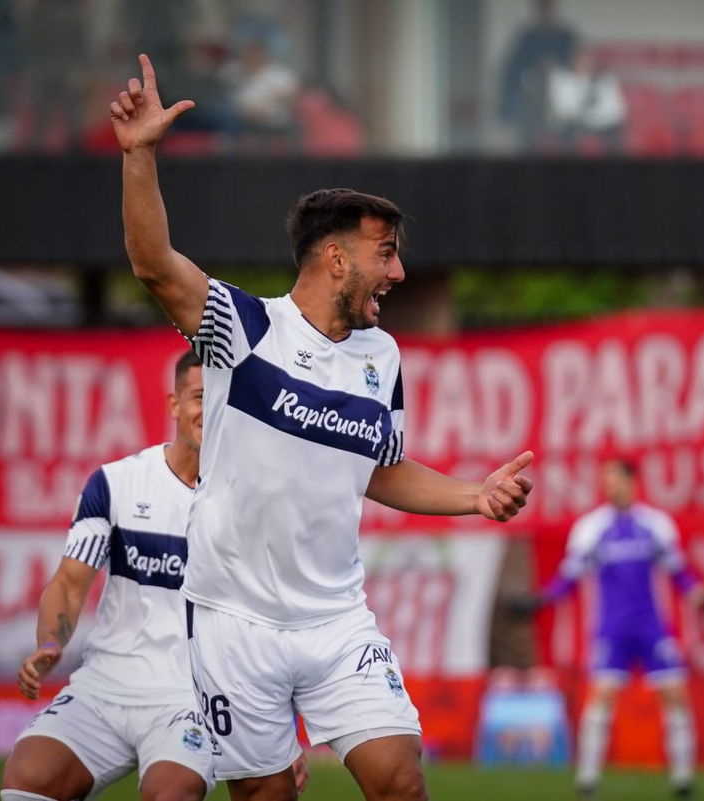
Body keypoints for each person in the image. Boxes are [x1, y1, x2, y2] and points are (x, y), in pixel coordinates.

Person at [109, 55, 535, 801]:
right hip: (234, 620)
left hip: (337, 619)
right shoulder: (244, 329)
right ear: (336, 258)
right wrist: (140, 154)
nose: (398, 273)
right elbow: (155, 266)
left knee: (400, 778)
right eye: (386, 254)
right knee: (266, 793)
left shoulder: (381, 354)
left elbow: (378, 469)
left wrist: (474, 496)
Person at [1, 352, 226, 800]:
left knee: (170, 794)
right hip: (105, 685)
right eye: (200, 396)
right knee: (27, 779)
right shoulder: (116, 482)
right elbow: (69, 583)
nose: (211, 408)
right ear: (175, 404)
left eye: (222, 397)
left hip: (192, 698)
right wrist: (51, 643)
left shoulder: (247, 498)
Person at [512, 458, 704, 799]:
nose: (610, 485)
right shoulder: (591, 528)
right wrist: (538, 601)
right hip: (611, 629)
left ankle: (683, 781)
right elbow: (569, 578)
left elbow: (680, 575)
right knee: (601, 698)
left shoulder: (656, 525)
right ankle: (587, 781)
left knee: (675, 697)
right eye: (606, 480)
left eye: (615, 478)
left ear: (632, 482)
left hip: (651, 627)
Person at [498, 0, 579, 150]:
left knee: (567, 135)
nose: (545, 13)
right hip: (532, 93)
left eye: (548, 9)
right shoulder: (527, 37)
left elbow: (578, 63)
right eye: (542, 9)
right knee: (529, 138)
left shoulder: (566, 36)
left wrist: (556, 66)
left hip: (562, 94)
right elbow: (513, 68)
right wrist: (537, 66)